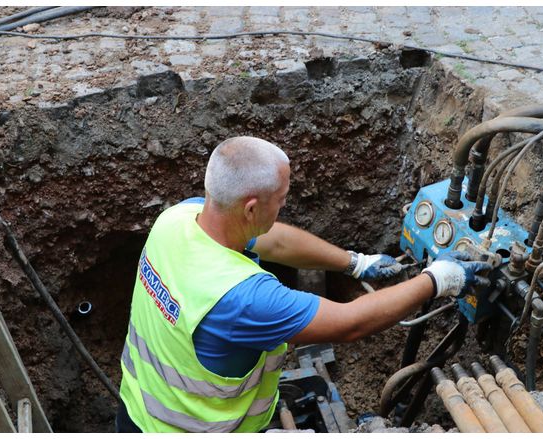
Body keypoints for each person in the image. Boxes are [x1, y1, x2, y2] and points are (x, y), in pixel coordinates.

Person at [116, 136, 491, 433]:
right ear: (250, 208)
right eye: (280, 200)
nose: (283, 206)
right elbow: (350, 322)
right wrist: (439, 279)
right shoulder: (243, 297)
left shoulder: (179, 218)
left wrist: (355, 264)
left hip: (136, 411)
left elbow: (275, 240)